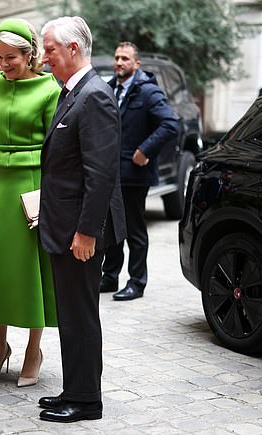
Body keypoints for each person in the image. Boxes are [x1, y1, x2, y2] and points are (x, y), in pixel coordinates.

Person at [0, 18, 61, 388]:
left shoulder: (50, 90)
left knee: (31, 271)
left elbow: (56, 149)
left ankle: (34, 350)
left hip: (32, 188)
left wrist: (50, 196)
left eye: (10, 58)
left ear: (29, 54)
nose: (2, 64)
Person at [38, 15, 125, 423]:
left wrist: (87, 231)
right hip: (64, 227)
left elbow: (101, 173)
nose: (44, 57)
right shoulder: (73, 92)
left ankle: (87, 400)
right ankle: (74, 388)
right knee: (70, 315)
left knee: (80, 316)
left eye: (50, 50)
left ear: (74, 49)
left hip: (80, 232)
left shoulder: (95, 96)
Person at [102, 41, 178, 301]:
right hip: (110, 173)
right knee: (111, 228)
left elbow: (170, 124)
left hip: (134, 174)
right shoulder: (109, 88)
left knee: (134, 229)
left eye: (125, 58)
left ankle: (136, 282)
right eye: (117, 58)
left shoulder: (148, 92)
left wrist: (145, 150)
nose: (119, 62)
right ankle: (110, 277)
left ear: (136, 63)